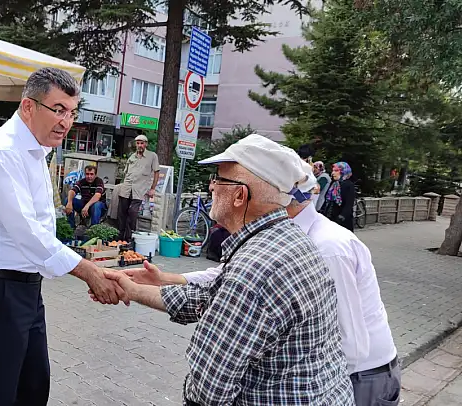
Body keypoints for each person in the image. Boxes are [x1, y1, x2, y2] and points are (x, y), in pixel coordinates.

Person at [98, 134, 354, 405]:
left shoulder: (254, 270)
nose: (211, 187)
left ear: (240, 195)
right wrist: (135, 290)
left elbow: (209, 391)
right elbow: (213, 298)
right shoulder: (289, 239)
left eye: (218, 179)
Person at [0, 67, 128, 406]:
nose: (66, 122)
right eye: (59, 110)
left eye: (72, 113)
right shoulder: (4, 152)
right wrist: (89, 271)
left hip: (24, 287)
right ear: (28, 107)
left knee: (34, 386)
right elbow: (29, 233)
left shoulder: (34, 149)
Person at [116, 134, 159, 241]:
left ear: (146, 144)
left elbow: (156, 172)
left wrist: (153, 188)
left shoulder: (152, 156)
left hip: (139, 189)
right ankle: (120, 237)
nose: (139, 145)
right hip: (127, 188)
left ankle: (130, 237)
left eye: (142, 143)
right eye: (138, 143)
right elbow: (126, 173)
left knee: (132, 212)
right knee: (122, 212)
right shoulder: (132, 156)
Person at [324, 161, 356, 231]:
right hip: (330, 218)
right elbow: (328, 199)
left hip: (342, 221)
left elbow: (349, 204)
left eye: (336, 171)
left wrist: (342, 216)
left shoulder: (349, 185)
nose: (333, 173)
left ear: (343, 171)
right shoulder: (334, 183)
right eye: (333, 171)